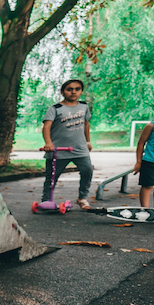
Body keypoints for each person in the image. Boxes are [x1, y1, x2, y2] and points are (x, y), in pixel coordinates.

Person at [40, 78, 94, 209]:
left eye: (77, 89)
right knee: (52, 177)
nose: (73, 92)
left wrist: (88, 141)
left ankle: (82, 198)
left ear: (81, 91)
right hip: (58, 149)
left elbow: (86, 124)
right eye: (69, 89)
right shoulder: (55, 108)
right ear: (63, 92)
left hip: (79, 148)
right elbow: (46, 127)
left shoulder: (84, 106)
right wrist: (48, 143)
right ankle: (46, 200)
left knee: (87, 170)